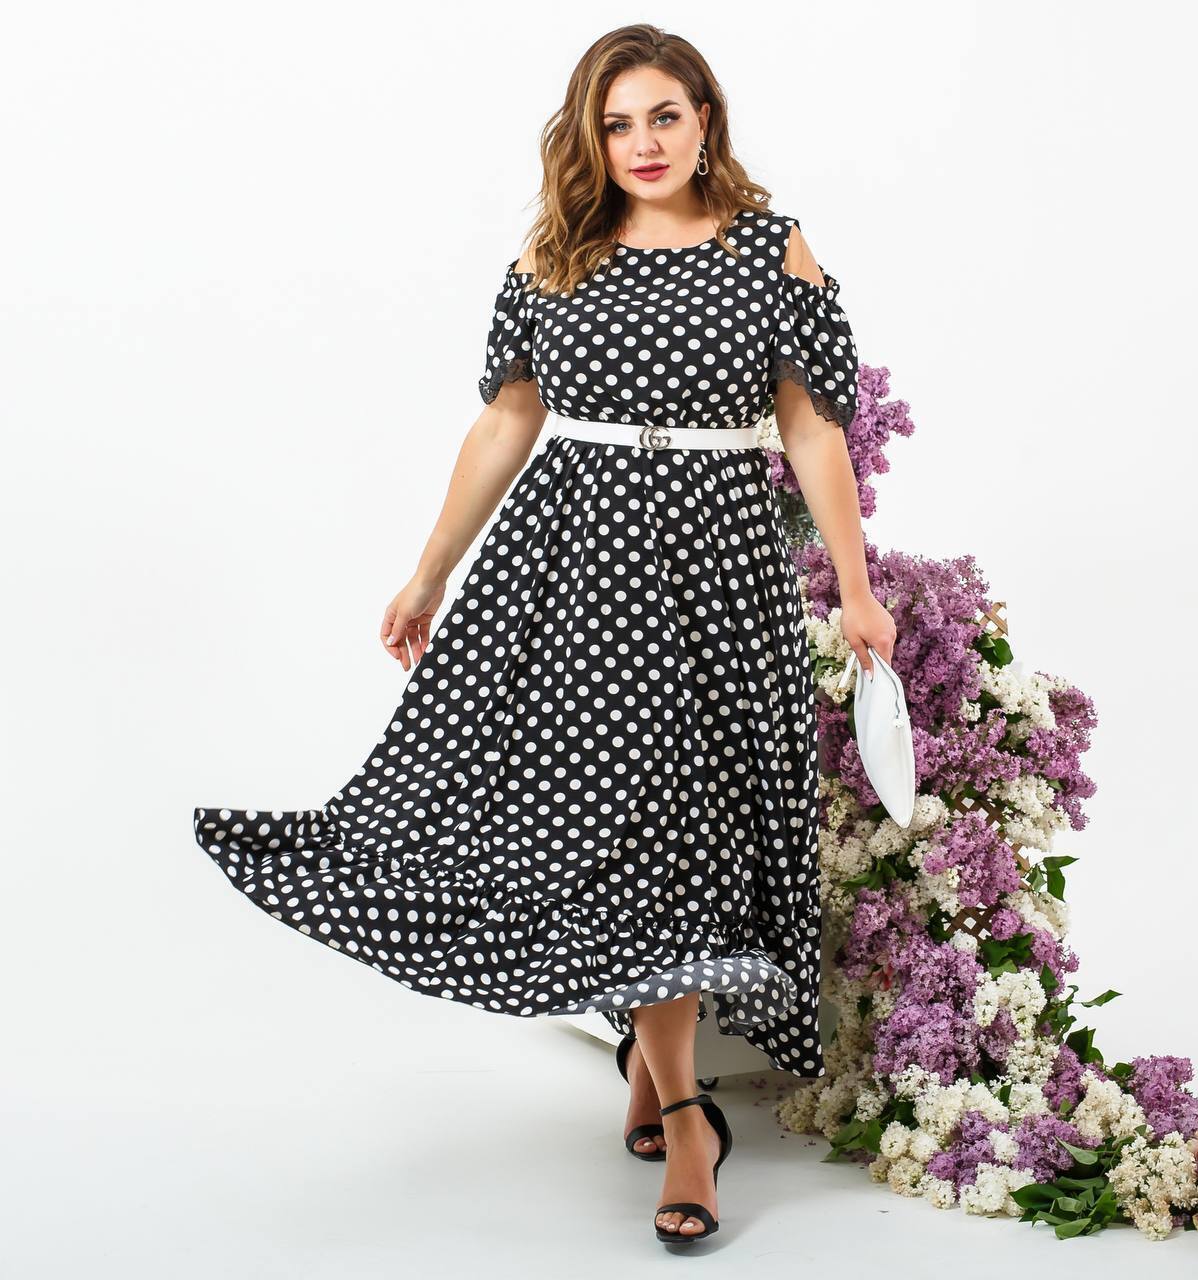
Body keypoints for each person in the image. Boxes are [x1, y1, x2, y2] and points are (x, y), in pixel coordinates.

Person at [192, 21, 895, 1249]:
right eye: (616, 124)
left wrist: (854, 583)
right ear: (588, 137)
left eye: (663, 115)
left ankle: (651, 1066)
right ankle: (686, 1111)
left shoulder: (767, 247)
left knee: (689, 826)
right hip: (574, 577)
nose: (642, 143)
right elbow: (506, 422)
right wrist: (427, 572)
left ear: (705, 119)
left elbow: (809, 427)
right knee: (619, 829)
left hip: (720, 573)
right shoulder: (556, 252)